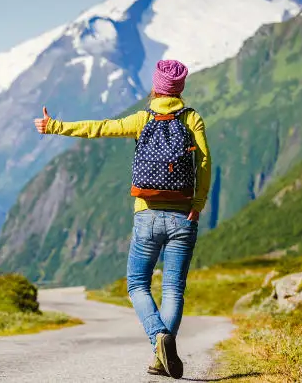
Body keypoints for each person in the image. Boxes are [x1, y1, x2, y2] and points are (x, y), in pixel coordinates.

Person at [34, 59, 211, 379]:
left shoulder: (143, 119)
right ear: (180, 89)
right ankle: (162, 353)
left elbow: (99, 128)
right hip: (184, 216)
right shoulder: (193, 119)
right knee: (173, 290)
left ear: (156, 87)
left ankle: (158, 338)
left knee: (137, 284)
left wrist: (55, 126)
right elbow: (204, 164)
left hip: (147, 214)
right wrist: (197, 204)